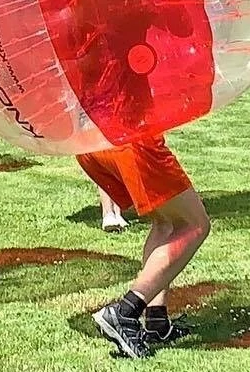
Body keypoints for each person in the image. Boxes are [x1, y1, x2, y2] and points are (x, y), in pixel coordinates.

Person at [78, 137, 210, 358]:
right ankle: (125, 312)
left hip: (93, 147)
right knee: (196, 225)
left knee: (166, 223)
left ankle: (156, 321)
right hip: (134, 146)